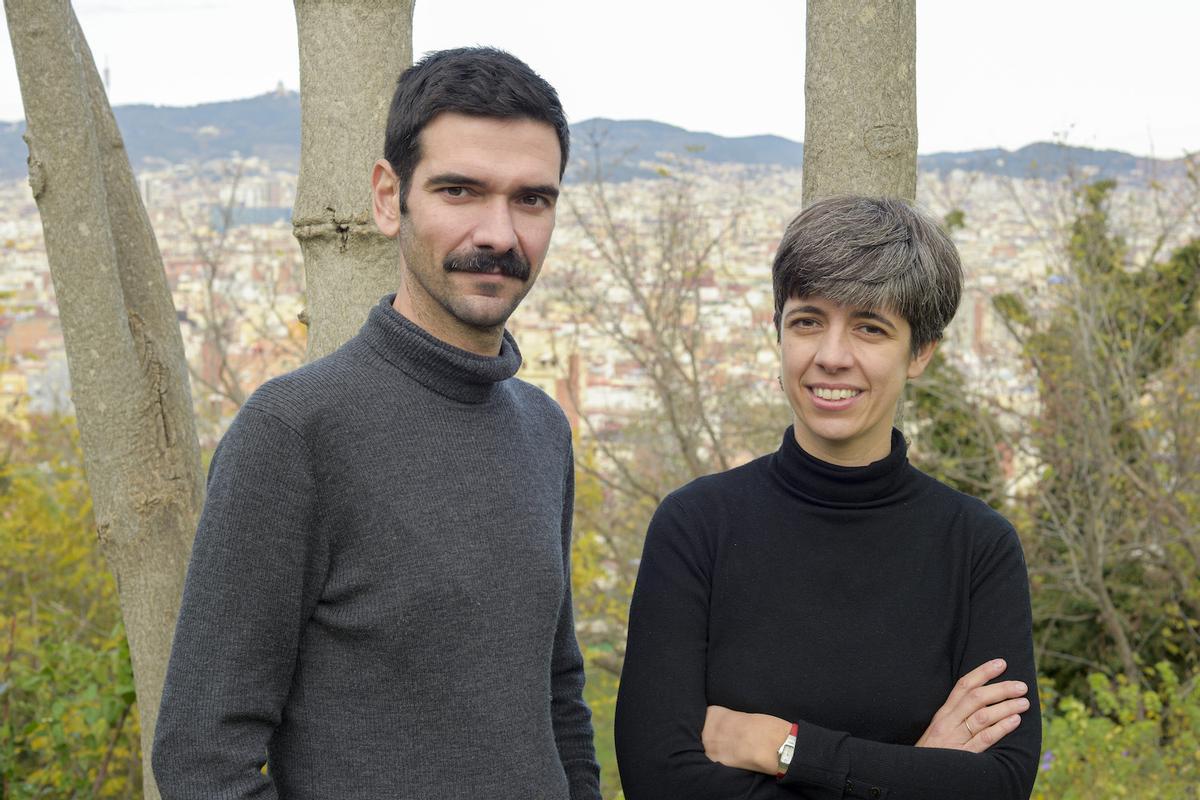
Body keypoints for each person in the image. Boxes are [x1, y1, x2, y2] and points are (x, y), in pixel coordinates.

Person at [153, 47, 600, 800]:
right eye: (459, 191)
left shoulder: (542, 429)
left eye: (531, 199)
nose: (498, 233)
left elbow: (556, 692)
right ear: (390, 199)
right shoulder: (295, 433)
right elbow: (202, 757)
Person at [614, 196, 1040, 799]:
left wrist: (781, 746)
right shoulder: (697, 526)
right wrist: (911, 773)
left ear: (920, 352)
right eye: (808, 321)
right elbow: (658, 780)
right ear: (778, 333)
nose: (831, 357)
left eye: (870, 328)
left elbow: (999, 785)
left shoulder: (976, 547)